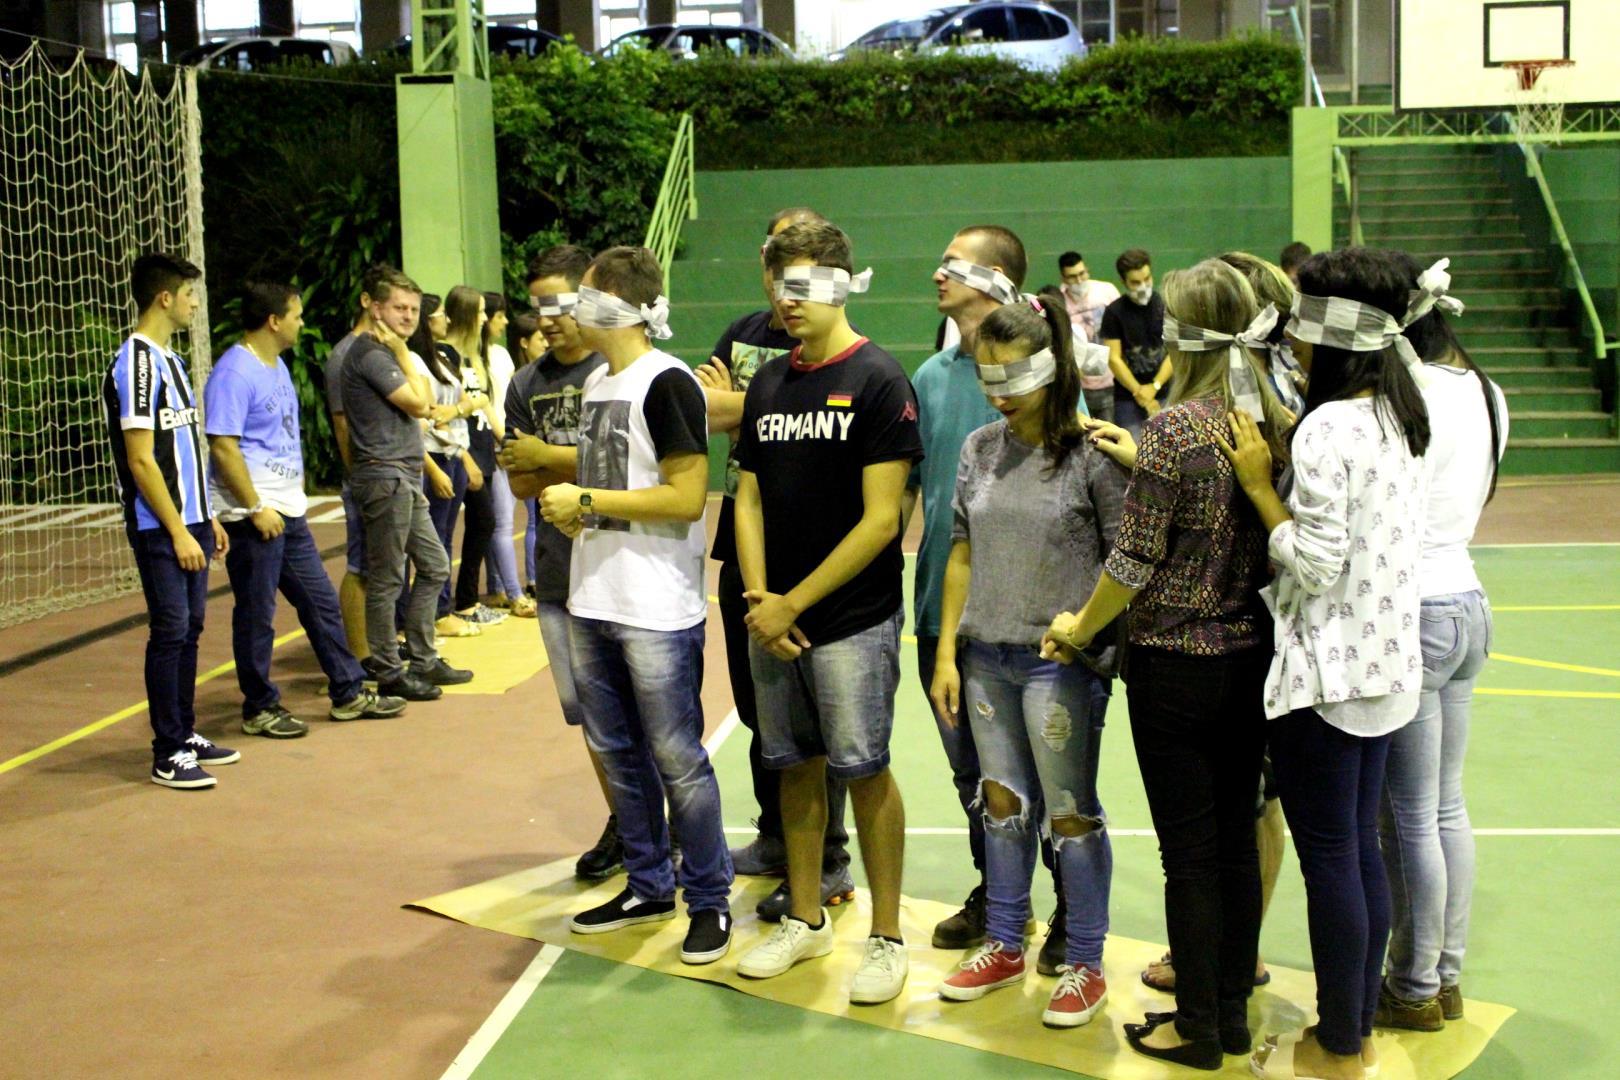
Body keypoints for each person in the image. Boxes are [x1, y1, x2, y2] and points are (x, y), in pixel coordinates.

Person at [1047, 258, 1293, 1069]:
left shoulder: (1174, 429)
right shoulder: (1270, 419)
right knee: (1231, 843)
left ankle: (1195, 1027)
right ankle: (1225, 1012)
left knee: (1187, 855)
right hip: (1247, 657)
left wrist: (1079, 628)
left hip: (1173, 666)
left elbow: (1135, 560)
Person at [1228, 248, 1431, 1080]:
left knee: (1334, 862)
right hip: (1388, 667)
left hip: (1327, 672)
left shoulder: (1329, 425)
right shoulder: (1398, 410)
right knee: (1360, 850)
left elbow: (1312, 561)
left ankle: (1338, 1041)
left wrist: (1257, 487)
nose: (1288, 336)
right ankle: (1352, 1024)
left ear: (1332, 334)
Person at [732, 221, 920, 1006]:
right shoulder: (769, 384)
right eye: (778, 284)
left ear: (842, 285)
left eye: (802, 284)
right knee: (793, 769)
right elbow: (745, 495)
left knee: (864, 770)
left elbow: (883, 520)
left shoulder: (879, 379)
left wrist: (793, 604)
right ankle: (806, 920)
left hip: (850, 620)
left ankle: (886, 936)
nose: (786, 300)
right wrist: (758, 602)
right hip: (772, 623)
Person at [930, 293, 1125, 1029]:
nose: (998, 396)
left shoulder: (1092, 453)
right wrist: (948, 650)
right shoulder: (980, 449)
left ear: (1051, 372)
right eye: (987, 379)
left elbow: (1125, 561)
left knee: (1069, 815)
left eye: (1013, 380)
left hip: (1059, 668)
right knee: (1003, 807)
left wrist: (1084, 634)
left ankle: (1086, 963)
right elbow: (960, 550)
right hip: (985, 658)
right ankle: (1007, 942)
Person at [541, 246, 734, 967]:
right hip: (595, 596)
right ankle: (649, 883)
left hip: (655, 607)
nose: (569, 311)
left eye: (582, 296)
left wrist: (587, 500)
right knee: (617, 753)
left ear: (611, 303)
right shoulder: (598, 383)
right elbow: (615, 487)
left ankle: (708, 899)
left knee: (678, 760)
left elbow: (687, 500)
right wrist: (581, 509)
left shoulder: (668, 383)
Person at [693, 206, 854, 922]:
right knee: (764, 715)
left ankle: (828, 859)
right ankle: (777, 839)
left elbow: (735, 407)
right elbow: (702, 410)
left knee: (824, 724)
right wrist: (733, 402)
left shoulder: (847, 360)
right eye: (775, 268)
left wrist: (738, 399)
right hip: (746, 550)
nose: (785, 291)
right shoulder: (743, 335)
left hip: (815, 556)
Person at [910, 224, 1061, 963]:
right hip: (944, 617)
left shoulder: (1043, 379)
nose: (939, 272)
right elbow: (910, 497)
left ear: (998, 276)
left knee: (1053, 783)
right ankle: (1002, 901)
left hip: (1028, 620)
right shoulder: (931, 378)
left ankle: (1070, 909)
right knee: (975, 777)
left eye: (955, 262)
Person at [1376, 255, 1506, 1032]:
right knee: (1444, 806)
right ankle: (1442, 975)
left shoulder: (1403, 396)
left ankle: (1414, 985)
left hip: (1413, 607)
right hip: (1467, 600)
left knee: (1409, 818)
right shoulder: (1488, 391)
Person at [205, 282, 407, 738]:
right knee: (257, 615)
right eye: (296, 315)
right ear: (274, 320)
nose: (302, 323)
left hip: (287, 512)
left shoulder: (274, 364)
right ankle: (259, 707)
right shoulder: (234, 373)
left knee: (319, 602)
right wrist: (254, 506)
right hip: (253, 516)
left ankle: (348, 691)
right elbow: (223, 445)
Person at [501, 243, 622, 881]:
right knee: (592, 718)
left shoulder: (616, 369)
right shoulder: (525, 384)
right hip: (557, 576)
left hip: (622, 571)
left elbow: (624, 468)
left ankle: (672, 830)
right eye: (537, 306)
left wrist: (546, 456)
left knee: (646, 716)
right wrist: (561, 463)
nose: (546, 318)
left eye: (559, 303)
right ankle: (628, 826)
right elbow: (521, 483)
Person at [103, 252, 234, 789]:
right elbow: (140, 459)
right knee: (171, 629)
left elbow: (181, 449)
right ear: (165, 297)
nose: (196, 304)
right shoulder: (134, 363)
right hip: (161, 527)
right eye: (190, 294)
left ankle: (185, 732)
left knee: (193, 628)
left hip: (193, 521)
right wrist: (179, 528)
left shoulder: (173, 362)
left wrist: (206, 516)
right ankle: (167, 750)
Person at [340, 270, 471, 702]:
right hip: (384, 476)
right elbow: (420, 404)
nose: (408, 317)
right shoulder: (374, 355)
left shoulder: (391, 354)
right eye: (399, 308)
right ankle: (389, 669)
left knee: (434, 565)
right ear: (375, 308)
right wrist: (401, 351)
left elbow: (426, 405)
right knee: (387, 577)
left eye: (414, 310)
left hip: (405, 475)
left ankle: (423, 657)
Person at [403, 291, 486, 640]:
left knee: (444, 538)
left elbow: (466, 402)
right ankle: (430, 615)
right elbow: (427, 413)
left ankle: (440, 610)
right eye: (438, 315)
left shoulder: (441, 357)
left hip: (452, 452)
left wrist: (456, 411)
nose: (446, 320)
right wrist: (456, 412)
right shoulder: (414, 361)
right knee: (432, 543)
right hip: (434, 455)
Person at [324, 266, 396, 663]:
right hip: (365, 477)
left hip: (383, 472)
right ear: (368, 303)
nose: (397, 314)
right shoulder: (345, 355)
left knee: (381, 566)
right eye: (389, 304)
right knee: (360, 565)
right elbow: (342, 423)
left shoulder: (380, 349)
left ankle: (376, 647)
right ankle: (359, 655)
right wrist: (359, 476)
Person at [442, 286, 506, 628]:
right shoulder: (446, 354)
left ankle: (464, 602)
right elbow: (448, 413)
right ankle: (457, 605)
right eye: (480, 311)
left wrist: (506, 443)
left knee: (484, 523)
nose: (485, 317)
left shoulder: (475, 354)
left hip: (482, 448)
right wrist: (465, 459)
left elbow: (484, 404)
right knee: (470, 524)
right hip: (461, 452)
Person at [481, 290, 534, 617]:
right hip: (491, 445)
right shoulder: (472, 357)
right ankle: (514, 593)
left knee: (494, 521)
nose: (502, 321)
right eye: (496, 315)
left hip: (506, 440)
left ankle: (499, 587)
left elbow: (504, 401)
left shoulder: (500, 354)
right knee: (498, 522)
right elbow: (483, 405)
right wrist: (500, 443)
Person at [1100, 248, 1169, 438]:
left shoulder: (1166, 305)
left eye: (1147, 279)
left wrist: (1154, 387)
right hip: (1128, 399)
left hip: (1165, 393)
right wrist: (1139, 393)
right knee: (1132, 452)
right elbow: (1114, 358)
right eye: (1136, 282)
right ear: (1124, 282)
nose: (1143, 286)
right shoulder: (1114, 312)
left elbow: (1175, 352)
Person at [1059, 250, 1121, 421]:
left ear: (1087, 270)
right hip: (1080, 386)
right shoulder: (1059, 301)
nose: (1079, 281)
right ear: (1063, 279)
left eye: (1082, 273)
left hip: (1112, 380)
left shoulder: (1106, 291)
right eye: (1072, 277)